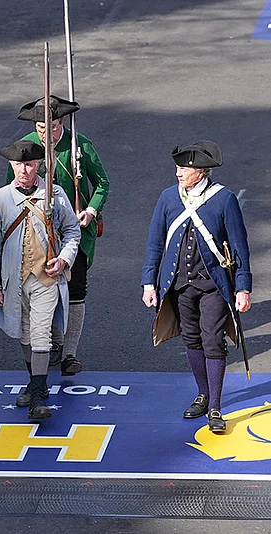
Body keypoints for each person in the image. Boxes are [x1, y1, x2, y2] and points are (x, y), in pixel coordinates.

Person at [141, 141, 251, 433]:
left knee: (213, 340)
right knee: (191, 339)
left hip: (213, 285)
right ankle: (202, 394)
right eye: (178, 168)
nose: (178, 173)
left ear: (201, 171)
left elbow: (240, 247)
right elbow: (154, 244)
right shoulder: (167, 198)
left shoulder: (224, 199)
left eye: (184, 169)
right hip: (179, 286)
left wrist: (243, 288)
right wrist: (148, 282)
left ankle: (215, 406)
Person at [6, 96, 109, 375]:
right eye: (40, 127)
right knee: (46, 289)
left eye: (50, 127)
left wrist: (90, 210)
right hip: (37, 233)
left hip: (75, 228)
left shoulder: (81, 144)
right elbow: (10, 190)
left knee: (75, 291)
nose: (44, 133)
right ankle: (53, 344)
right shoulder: (26, 146)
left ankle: (69, 353)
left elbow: (102, 182)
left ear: (61, 123)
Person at [0, 140, 81, 420]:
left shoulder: (56, 194)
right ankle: (34, 382)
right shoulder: (1, 198)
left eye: (29, 164)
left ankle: (38, 396)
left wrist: (63, 259)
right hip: (14, 280)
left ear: (38, 165)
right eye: (19, 164)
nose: (24, 170)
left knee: (41, 334)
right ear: (12, 165)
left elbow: (72, 232)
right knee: (25, 335)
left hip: (46, 279)